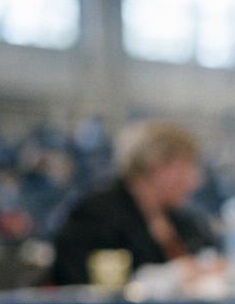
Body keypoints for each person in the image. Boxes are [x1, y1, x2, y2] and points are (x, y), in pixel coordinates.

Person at [49, 120, 213, 286]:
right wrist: (174, 275)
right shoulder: (95, 215)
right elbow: (83, 282)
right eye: (186, 167)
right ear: (155, 163)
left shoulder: (184, 222)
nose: (195, 181)